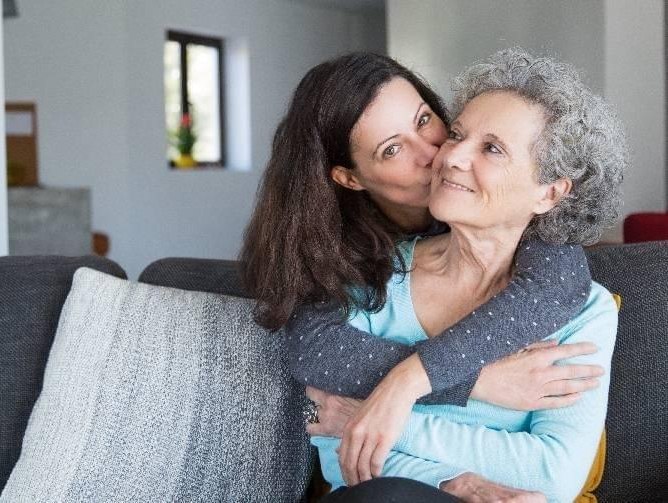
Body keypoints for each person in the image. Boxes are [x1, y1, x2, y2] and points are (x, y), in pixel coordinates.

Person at [239, 51, 606, 498]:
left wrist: (387, 406)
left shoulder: (566, 289)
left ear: (550, 192)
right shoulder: (365, 273)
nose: (441, 156)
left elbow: (553, 474)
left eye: (430, 123)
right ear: (350, 179)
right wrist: (474, 393)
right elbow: (319, 372)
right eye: (391, 149)